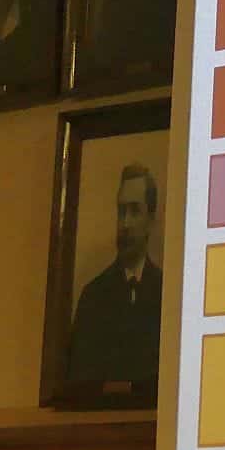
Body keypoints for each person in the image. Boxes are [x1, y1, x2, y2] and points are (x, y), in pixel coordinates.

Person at [66, 164, 163, 384]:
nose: (125, 223)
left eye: (135, 211)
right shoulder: (92, 297)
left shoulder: (167, 295)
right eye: (121, 211)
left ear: (151, 220)